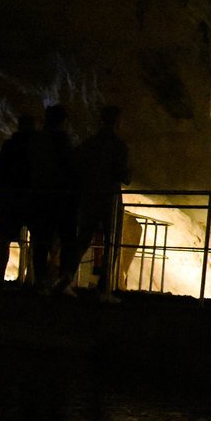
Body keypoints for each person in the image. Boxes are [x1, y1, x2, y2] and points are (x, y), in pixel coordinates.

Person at [58, 105, 131, 296]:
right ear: (116, 122)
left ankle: (66, 276)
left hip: (89, 197)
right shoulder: (118, 145)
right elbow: (123, 174)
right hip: (109, 199)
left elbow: (75, 165)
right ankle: (103, 288)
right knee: (111, 243)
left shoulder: (90, 143)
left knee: (82, 240)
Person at [28, 105, 76, 291]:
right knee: (67, 239)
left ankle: (40, 280)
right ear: (63, 121)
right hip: (61, 197)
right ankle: (63, 278)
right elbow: (70, 167)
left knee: (41, 240)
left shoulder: (36, 141)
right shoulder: (62, 141)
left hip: (40, 195)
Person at [0, 114, 35, 282]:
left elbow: (0, 174)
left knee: (1, 238)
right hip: (30, 199)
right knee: (33, 240)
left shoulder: (9, 146)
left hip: (10, 199)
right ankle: (29, 278)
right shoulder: (36, 147)